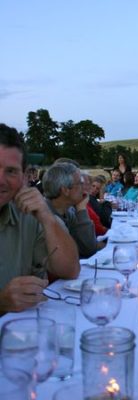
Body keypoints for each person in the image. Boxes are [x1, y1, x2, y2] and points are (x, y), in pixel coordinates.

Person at [0, 123, 80, 314]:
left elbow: (69, 269)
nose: (1, 180)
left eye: (10, 171)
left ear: (24, 176)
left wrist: (47, 216)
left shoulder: (26, 214)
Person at [43, 162, 97, 259]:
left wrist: (81, 209)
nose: (83, 187)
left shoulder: (68, 212)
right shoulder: (43, 216)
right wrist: (81, 209)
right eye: (80, 183)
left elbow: (89, 249)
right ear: (65, 190)